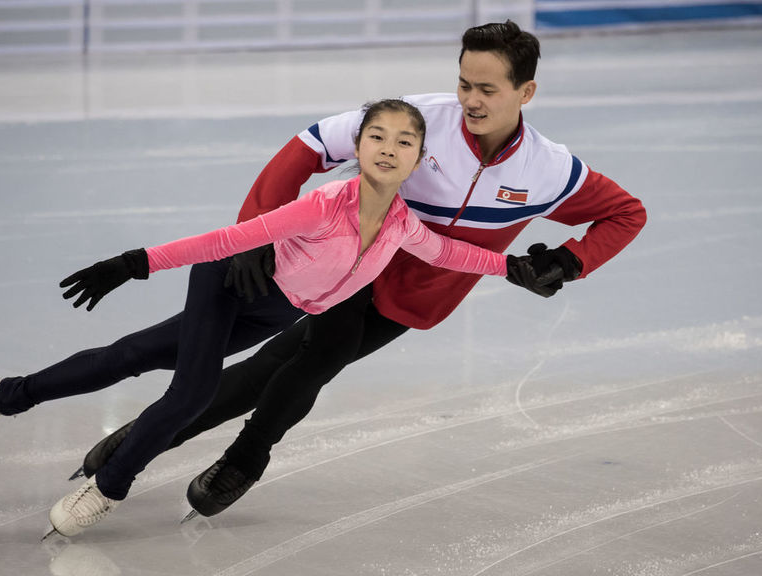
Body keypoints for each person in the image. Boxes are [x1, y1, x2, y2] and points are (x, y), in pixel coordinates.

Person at [75, 19, 647, 521]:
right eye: (464, 84)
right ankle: (234, 459)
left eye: (488, 90)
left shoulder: (548, 170)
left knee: (281, 363)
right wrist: (257, 228)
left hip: (419, 292)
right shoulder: (418, 120)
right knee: (311, 358)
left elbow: (626, 213)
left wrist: (569, 262)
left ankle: (158, 438)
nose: (471, 100)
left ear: (526, 92)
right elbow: (306, 147)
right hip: (341, 259)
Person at [0, 99, 524, 537]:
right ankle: (108, 488)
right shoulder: (326, 205)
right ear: (358, 147)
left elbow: (454, 255)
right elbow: (226, 241)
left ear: (420, 159)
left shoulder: (403, 226)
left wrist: (514, 268)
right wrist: (135, 263)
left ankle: (12, 394)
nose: (389, 148)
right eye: (377, 137)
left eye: (404, 141)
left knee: (132, 355)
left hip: (267, 315)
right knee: (192, 394)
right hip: (229, 285)